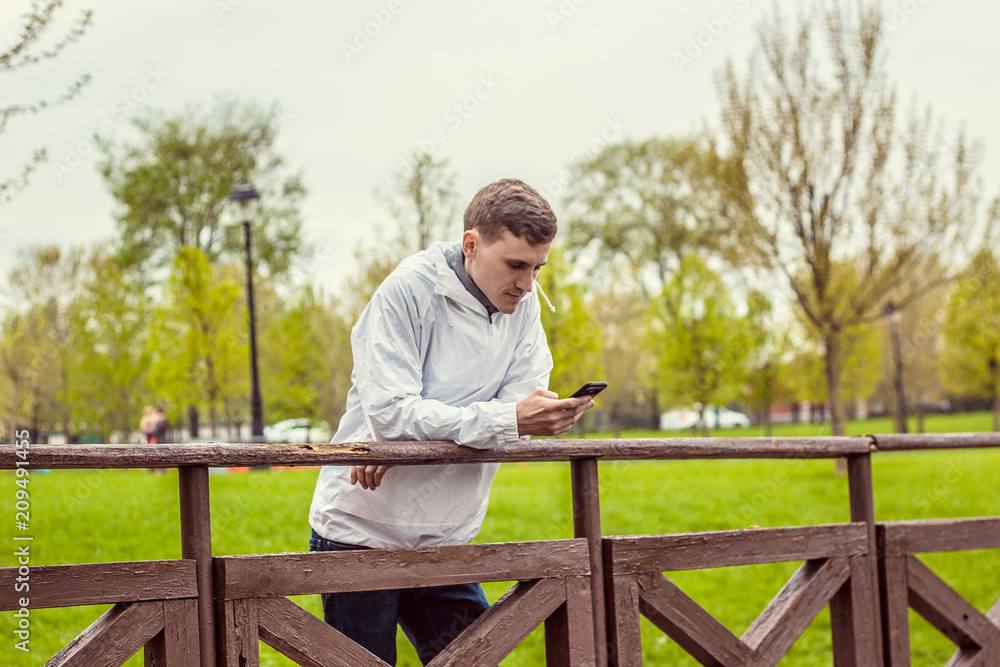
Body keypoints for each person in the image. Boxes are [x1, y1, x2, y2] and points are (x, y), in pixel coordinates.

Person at [307, 178, 595, 664]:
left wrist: (411, 439)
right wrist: (495, 420)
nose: (527, 284)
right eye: (516, 265)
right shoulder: (406, 292)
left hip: (447, 535)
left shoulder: (522, 308)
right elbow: (394, 412)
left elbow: (523, 401)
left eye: (537, 268)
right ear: (470, 245)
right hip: (360, 527)